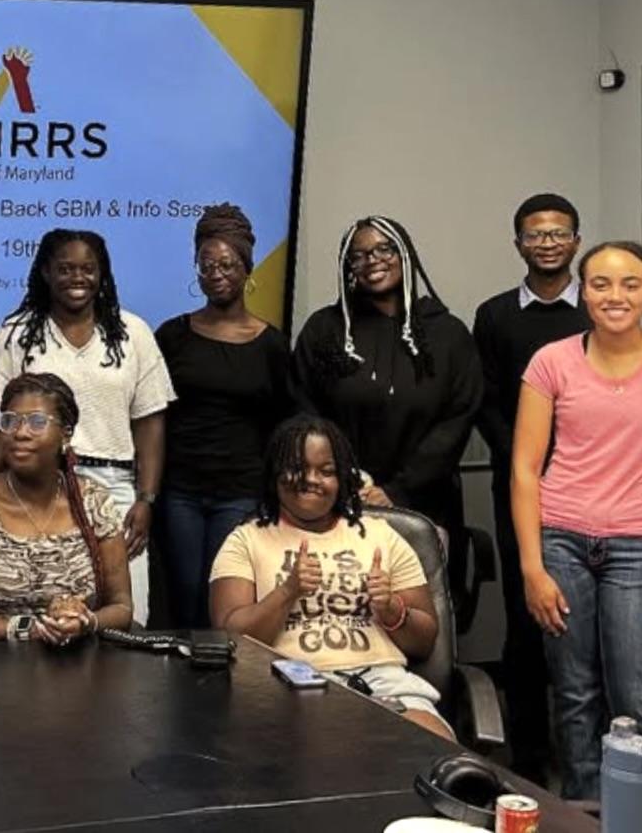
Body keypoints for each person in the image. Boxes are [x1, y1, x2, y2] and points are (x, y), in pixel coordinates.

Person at [512, 241, 642, 802]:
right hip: (561, 542)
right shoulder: (551, 361)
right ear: (584, 291)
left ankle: (638, 816)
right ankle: (582, 810)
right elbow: (525, 470)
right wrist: (532, 566)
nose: (615, 295)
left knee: (639, 698)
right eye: (600, 283)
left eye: (629, 284)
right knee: (574, 694)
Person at [210, 415, 451, 739]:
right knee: (328, 752)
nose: (312, 480)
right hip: (291, 683)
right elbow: (231, 640)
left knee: (439, 755)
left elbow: (424, 643)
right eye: (298, 467)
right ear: (276, 473)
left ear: (342, 480)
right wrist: (288, 591)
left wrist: (394, 611)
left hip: (383, 681)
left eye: (326, 471)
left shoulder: (383, 536)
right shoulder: (245, 540)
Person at [0, 229, 174, 624]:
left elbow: (150, 422)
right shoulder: (15, 334)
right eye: (65, 269)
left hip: (116, 489)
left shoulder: (133, 333)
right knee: (46, 610)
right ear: (44, 273)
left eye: (88, 269)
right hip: (38, 487)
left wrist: (147, 499)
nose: (77, 278)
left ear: (102, 274)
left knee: (125, 612)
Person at [288, 216, 483, 594]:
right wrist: (347, 479)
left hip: (426, 504)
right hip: (339, 501)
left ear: (405, 254)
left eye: (384, 249)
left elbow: (458, 418)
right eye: (358, 256)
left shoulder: (448, 334)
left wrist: (396, 491)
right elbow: (304, 410)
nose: (372, 260)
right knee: (345, 610)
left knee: (422, 619)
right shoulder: (325, 331)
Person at [469, 192, 590, 778]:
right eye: (535, 234)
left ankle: (585, 757)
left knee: (584, 619)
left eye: (557, 233)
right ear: (517, 243)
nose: (546, 243)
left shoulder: (599, 308)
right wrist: (525, 457)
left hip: (591, 483)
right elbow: (485, 399)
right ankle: (532, 759)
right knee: (525, 618)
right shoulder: (494, 315)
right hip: (517, 482)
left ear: (577, 241)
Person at [154, 204, 290, 628]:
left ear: (247, 268)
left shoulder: (271, 344)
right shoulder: (172, 335)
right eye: (206, 264)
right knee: (183, 596)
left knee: (224, 604)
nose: (216, 273)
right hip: (180, 492)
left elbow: (284, 422)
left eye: (227, 264)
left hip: (241, 490)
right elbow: (154, 414)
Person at [0, 373, 134, 643]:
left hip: (81, 663)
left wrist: (86, 622)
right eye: (10, 421)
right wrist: (29, 629)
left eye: (37, 422)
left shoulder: (95, 504)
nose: (20, 432)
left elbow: (122, 607)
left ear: (66, 433)